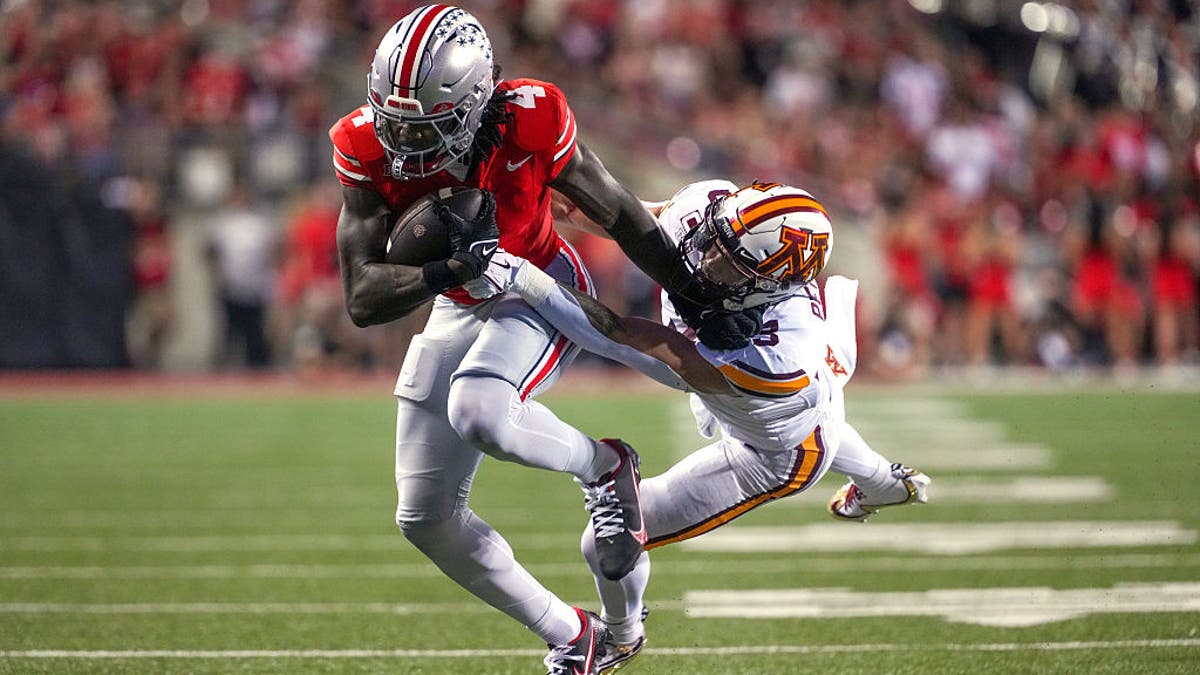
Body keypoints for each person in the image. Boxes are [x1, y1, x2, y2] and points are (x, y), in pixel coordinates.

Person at [328, 7, 754, 674]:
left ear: (473, 102)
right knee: (424, 517)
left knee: (479, 410)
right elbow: (361, 297)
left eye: (424, 125)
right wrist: (447, 269)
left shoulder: (531, 116)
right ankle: (572, 633)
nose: (404, 140)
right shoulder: (360, 143)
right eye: (395, 120)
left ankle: (606, 466)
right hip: (459, 298)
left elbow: (616, 209)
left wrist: (694, 295)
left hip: (538, 285)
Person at [475, 180, 932, 673]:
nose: (707, 255)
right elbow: (625, 221)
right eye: (717, 237)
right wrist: (528, 211)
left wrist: (519, 274)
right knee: (818, 417)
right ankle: (884, 481)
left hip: (775, 450)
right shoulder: (707, 211)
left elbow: (623, 337)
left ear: (770, 286)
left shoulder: (777, 354)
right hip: (796, 402)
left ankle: (620, 636)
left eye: (732, 263)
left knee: (603, 539)